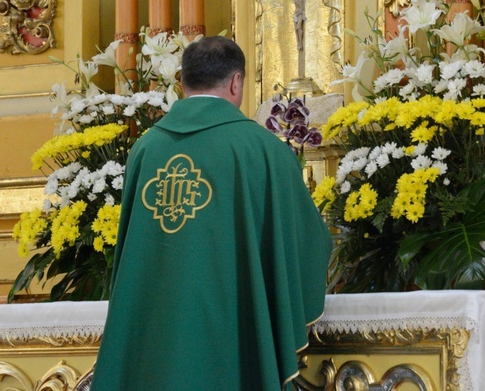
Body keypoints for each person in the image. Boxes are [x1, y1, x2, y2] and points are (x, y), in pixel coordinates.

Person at [91, 36, 331, 390]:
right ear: (236, 82)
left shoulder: (145, 149)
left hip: (152, 345)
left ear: (182, 82)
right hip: (232, 341)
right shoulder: (264, 151)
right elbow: (309, 244)